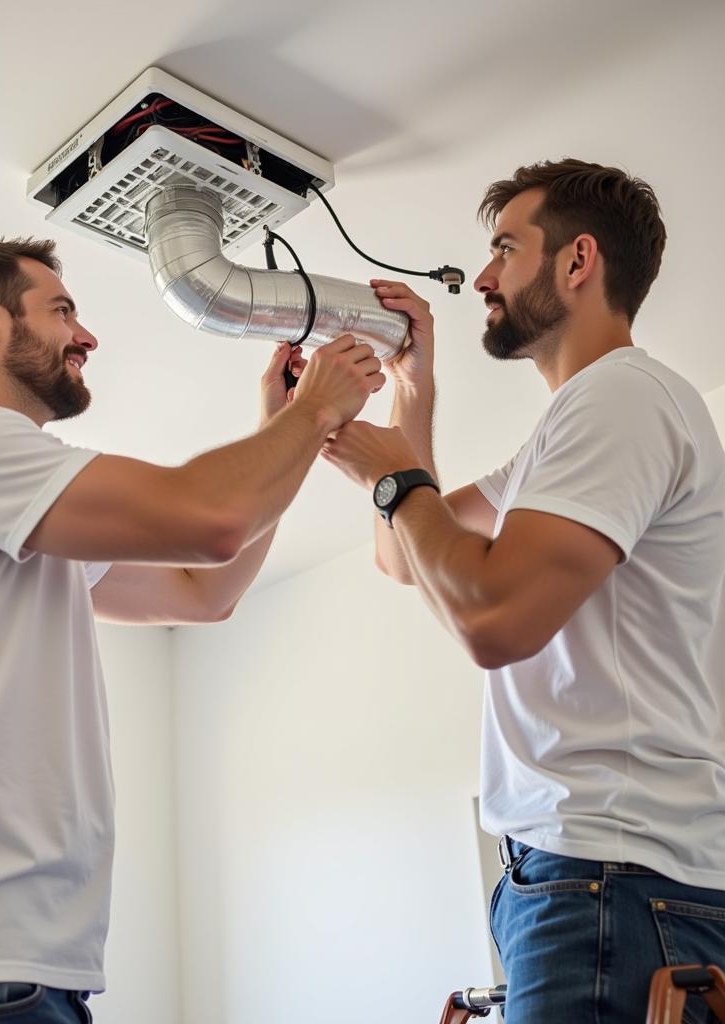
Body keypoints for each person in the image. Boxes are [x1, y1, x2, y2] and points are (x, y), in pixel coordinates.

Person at [0, 238, 384, 1024]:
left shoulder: (20, 513)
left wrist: (286, 429)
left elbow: (203, 588)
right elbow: (211, 522)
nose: (88, 336)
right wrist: (316, 407)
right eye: (63, 310)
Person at [320, 159, 725, 1024]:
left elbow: (493, 619)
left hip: (609, 874)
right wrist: (412, 392)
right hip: (586, 877)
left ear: (578, 263)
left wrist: (397, 483)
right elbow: (409, 558)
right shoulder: (566, 435)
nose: (485, 278)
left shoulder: (622, 399)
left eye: (505, 248)